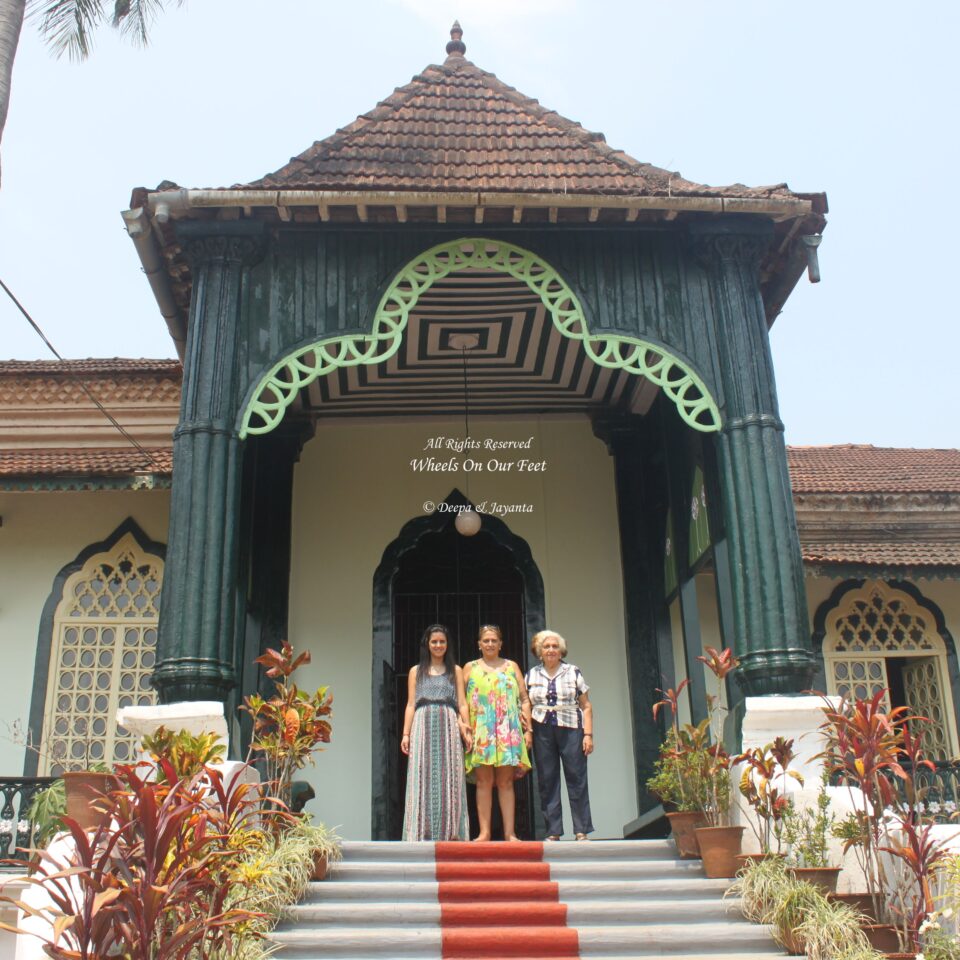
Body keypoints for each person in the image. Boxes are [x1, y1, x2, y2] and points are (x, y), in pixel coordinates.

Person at [400, 624, 471, 841]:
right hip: (422, 723)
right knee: (421, 775)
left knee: (450, 775)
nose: (438, 645)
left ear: (447, 645)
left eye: (442, 642)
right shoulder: (415, 671)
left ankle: (450, 831)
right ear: (427, 645)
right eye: (434, 642)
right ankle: (421, 831)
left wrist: (466, 728)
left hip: (448, 723)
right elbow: (411, 704)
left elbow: (462, 703)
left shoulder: (455, 670)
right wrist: (406, 734)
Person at [463, 624, 532, 841]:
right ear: (479, 644)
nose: (490, 644)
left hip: (508, 730)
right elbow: (459, 700)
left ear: (501, 643)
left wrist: (528, 729)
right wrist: (463, 725)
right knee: (483, 782)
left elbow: (524, 699)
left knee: (506, 782)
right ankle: (484, 833)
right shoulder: (470, 667)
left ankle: (509, 833)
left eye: (494, 640)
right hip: (481, 730)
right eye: (486, 641)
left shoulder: (512, 666)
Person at [525, 629, 594, 841]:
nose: (551, 650)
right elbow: (526, 703)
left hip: (571, 727)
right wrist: (527, 730)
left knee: (576, 777)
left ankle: (581, 830)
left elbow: (586, 705)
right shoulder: (532, 674)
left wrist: (588, 734)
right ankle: (553, 831)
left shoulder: (573, 671)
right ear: (539, 651)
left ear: (561, 650)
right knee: (547, 779)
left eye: (555, 646)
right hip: (542, 728)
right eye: (547, 647)